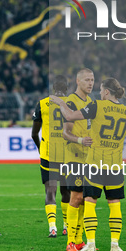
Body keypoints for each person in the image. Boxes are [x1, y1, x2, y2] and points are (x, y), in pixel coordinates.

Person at [52, 78, 126, 251]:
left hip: (95, 163)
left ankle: (90, 244)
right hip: (115, 165)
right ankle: (115, 245)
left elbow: (70, 116)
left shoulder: (98, 106)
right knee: (114, 204)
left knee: (89, 202)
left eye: (101, 89)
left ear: (105, 92)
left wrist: (60, 102)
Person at [31, 75, 71, 238]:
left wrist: (41, 148)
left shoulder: (42, 104)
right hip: (67, 154)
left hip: (48, 154)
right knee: (66, 191)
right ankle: (66, 226)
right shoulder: (73, 104)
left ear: (53, 89)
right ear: (66, 89)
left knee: (50, 190)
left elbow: (34, 133)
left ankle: (52, 227)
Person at [60, 68, 94, 251]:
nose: (91, 83)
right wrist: (81, 140)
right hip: (74, 158)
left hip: (88, 158)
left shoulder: (90, 102)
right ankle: (71, 241)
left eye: (93, 80)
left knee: (84, 199)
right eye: (87, 80)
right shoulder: (71, 102)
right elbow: (65, 133)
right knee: (76, 197)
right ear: (78, 81)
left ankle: (79, 240)